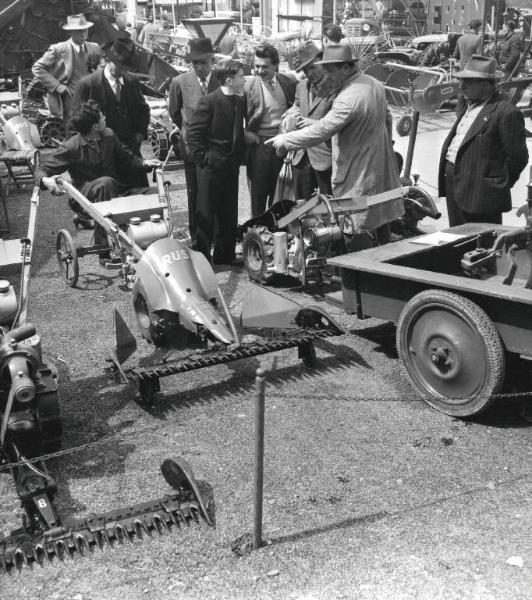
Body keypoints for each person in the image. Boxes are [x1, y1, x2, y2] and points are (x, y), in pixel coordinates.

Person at [266, 44, 403, 243]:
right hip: (377, 169)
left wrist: (286, 140)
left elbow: (323, 130)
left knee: (354, 231)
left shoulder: (348, 98)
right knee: (379, 223)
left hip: (358, 175)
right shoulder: (374, 84)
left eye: (330, 71)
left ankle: (352, 271)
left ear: (346, 68)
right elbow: (386, 121)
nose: (327, 76)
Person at [438, 55, 528, 227]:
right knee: (457, 239)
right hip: (455, 184)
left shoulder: (505, 113)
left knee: (479, 245)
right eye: (461, 80)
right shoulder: (469, 105)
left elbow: (519, 157)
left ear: (487, 85)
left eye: (468, 81)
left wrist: (495, 185)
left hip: (480, 195)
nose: (462, 85)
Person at [36, 100, 159, 222]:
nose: (105, 117)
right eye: (101, 117)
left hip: (115, 190)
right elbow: (42, 170)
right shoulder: (71, 147)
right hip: (85, 199)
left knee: (156, 194)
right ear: (95, 126)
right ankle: (104, 239)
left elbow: (128, 158)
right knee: (106, 183)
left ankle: (151, 237)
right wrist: (45, 180)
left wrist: (144, 163)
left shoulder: (109, 135)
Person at [188, 60, 246, 265]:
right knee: (205, 212)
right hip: (210, 168)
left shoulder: (240, 101)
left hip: (230, 168)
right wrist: (204, 160)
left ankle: (225, 255)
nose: (244, 79)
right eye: (241, 76)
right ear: (229, 80)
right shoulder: (209, 101)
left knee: (228, 212)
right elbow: (193, 135)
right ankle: (203, 258)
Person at [72, 34, 150, 186]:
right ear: (108, 60)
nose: (122, 70)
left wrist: (140, 134)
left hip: (130, 154)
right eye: (119, 65)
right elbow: (74, 123)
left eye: (126, 67)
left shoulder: (132, 81)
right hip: (101, 158)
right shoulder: (87, 85)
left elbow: (143, 110)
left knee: (139, 199)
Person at [168, 38, 220, 246]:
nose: (199, 67)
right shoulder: (179, 82)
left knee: (217, 192)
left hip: (217, 147)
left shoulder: (220, 81)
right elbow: (174, 113)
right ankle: (198, 238)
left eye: (203, 63)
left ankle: (218, 236)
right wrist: (189, 133)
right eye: (195, 63)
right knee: (196, 194)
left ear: (212, 60)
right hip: (193, 149)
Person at [244, 44, 297, 217]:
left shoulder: (288, 82)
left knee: (279, 194)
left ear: (275, 65)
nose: (259, 70)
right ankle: (257, 231)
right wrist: (244, 133)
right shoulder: (248, 86)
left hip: (282, 147)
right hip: (259, 147)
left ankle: (277, 232)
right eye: (257, 66)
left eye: (264, 66)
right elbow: (234, 115)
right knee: (258, 195)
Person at [32, 14, 101, 123]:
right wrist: (57, 86)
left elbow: (100, 70)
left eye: (85, 30)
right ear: (70, 32)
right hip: (68, 100)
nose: (83, 33)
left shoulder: (95, 48)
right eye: (79, 31)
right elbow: (37, 68)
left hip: (91, 99)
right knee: (72, 130)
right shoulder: (58, 49)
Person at [287, 42, 333, 200]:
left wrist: (313, 124)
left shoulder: (336, 87)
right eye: (305, 69)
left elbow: (340, 122)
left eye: (313, 67)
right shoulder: (301, 86)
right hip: (300, 158)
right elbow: (296, 108)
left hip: (325, 159)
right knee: (301, 209)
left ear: (323, 61)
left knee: (328, 211)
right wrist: (290, 118)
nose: (309, 73)